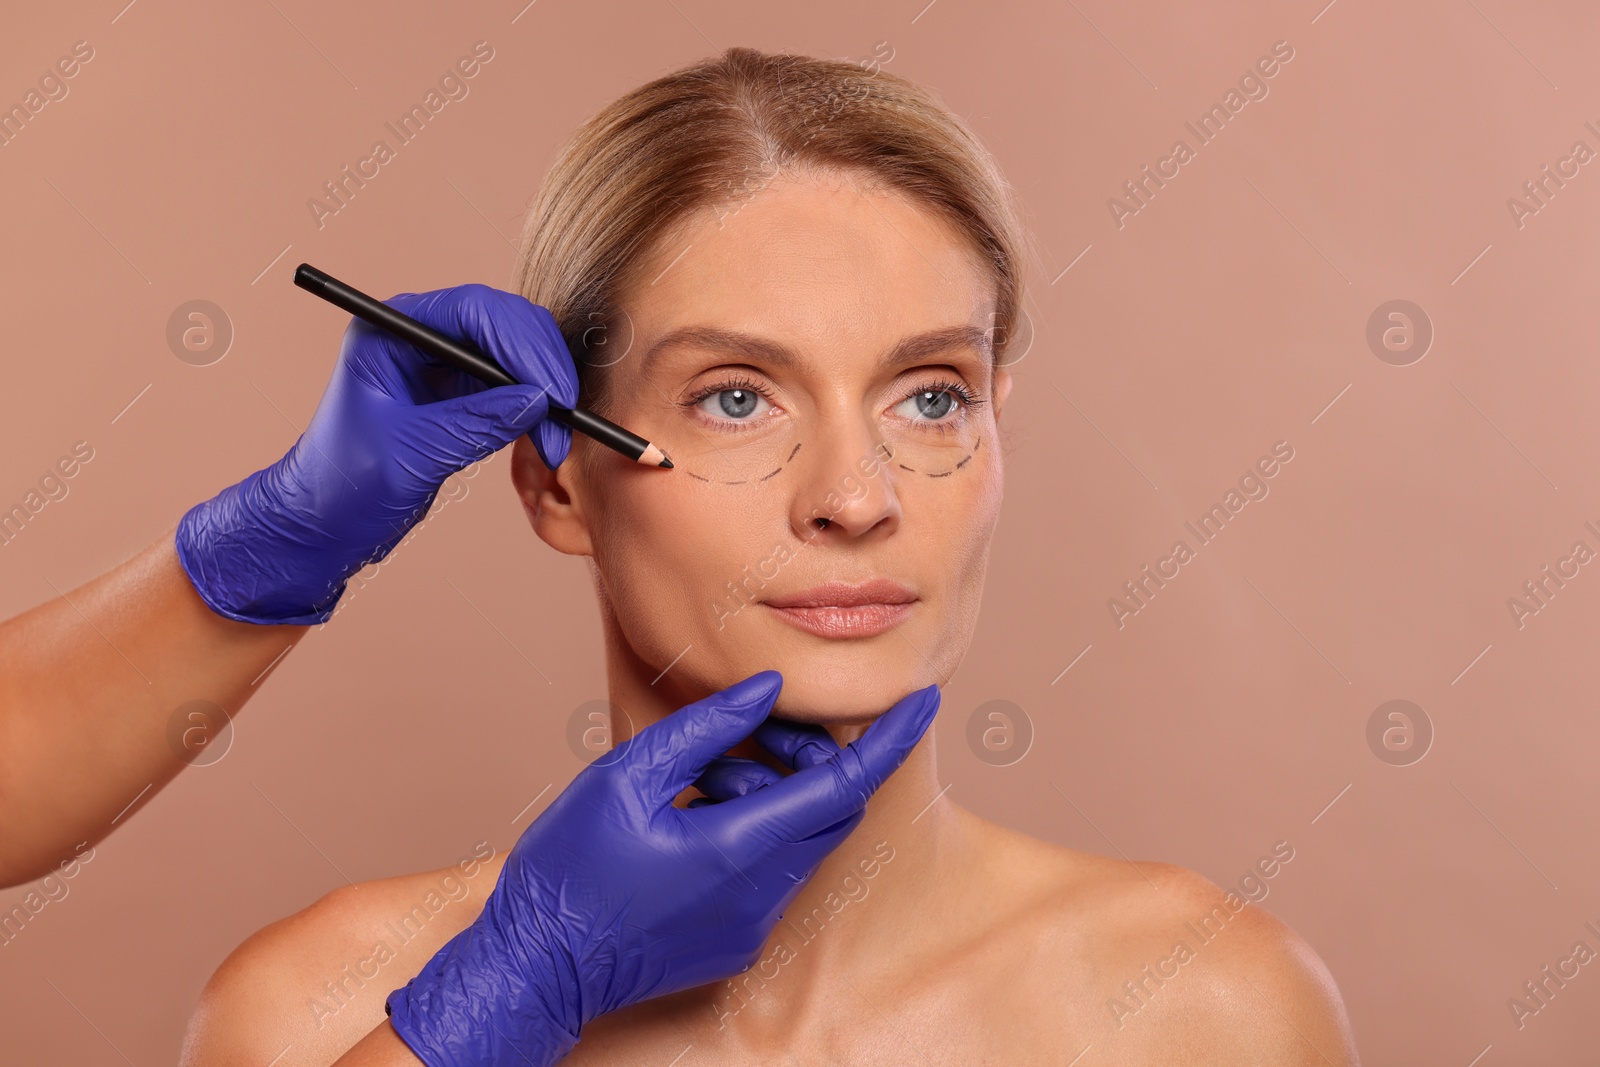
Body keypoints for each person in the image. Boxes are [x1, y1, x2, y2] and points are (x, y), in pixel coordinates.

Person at [182, 46, 1362, 1065]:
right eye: (736, 398)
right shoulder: (315, 1011)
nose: (855, 497)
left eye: (931, 396)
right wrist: (502, 1003)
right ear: (555, 479)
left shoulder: (1206, 1011)